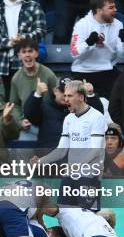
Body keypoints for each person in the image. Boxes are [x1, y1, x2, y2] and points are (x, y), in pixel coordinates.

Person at [31, 80, 107, 210]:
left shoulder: (97, 117)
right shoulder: (69, 119)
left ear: (81, 97)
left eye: (70, 96)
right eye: (65, 95)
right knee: (64, 213)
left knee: (87, 215)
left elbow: (95, 150)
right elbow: (61, 150)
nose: (66, 99)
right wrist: (41, 161)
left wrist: (75, 167)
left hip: (89, 175)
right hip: (71, 174)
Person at [0, 0, 47, 94]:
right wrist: (9, 42)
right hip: (1, 63)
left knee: (24, 99)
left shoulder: (34, 7)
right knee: (2, 101)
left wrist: (23, 39)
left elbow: (41, 32)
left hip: (24, 62)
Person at [70, 0, 124, 99]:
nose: (115, 10)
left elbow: (123, 53)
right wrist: (88, 43)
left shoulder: (118, 24)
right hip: (84, 71)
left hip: (107, 70)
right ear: (99, 11)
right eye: (111, 8)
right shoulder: (82, 24)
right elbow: (74, 53)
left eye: (115, 6)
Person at [24, 76, 104, 153]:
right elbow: (30, 115)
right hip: (48, 154)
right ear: (55, 91)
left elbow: (98, 116)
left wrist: (90, 95)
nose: (65, 96)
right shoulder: (45, 106)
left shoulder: (80, 107)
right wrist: (37, 94)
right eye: (63, 91)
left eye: (70, 93)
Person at [9, 39, 57, 137]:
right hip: (29, 125)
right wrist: (20, 121)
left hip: (48, 123)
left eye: (30, 51)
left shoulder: (49, 75)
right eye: (24, 52)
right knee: (22, 151)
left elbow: (58, 99)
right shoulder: (16, 78)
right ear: (19, 56)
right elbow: (15, 105)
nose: (27, 55)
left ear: (36, 54)